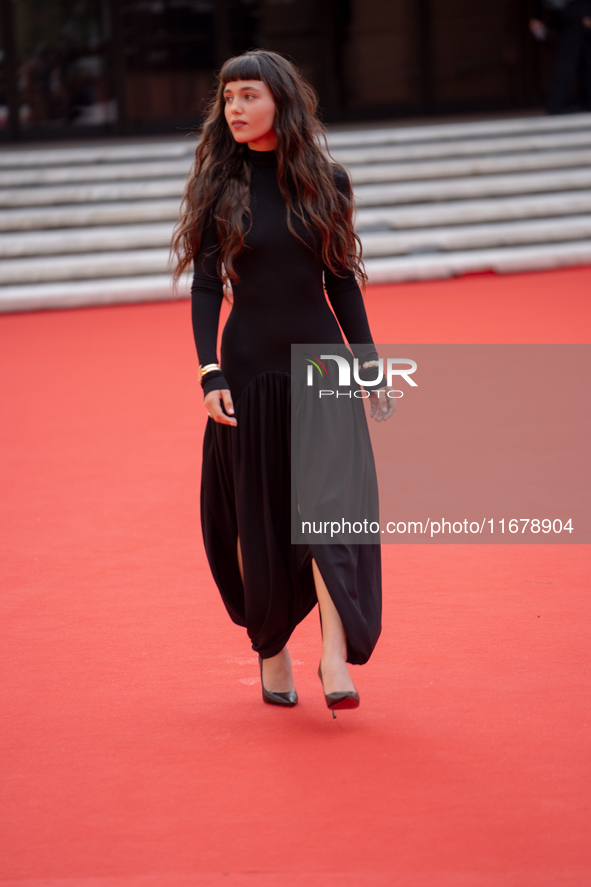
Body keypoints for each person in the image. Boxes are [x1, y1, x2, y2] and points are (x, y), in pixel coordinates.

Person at [171, 49, 394, 715]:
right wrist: (208, 370)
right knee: (257, 517)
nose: (234, 108)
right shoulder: (220, 185)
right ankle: (271, 646)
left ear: (280, 102)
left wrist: (370, 361)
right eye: (228, 97)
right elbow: (208, 287)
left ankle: (332, 653)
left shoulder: (329, 181)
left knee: (330, 511)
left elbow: (339, 281)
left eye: (248, 95)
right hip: (248, 370)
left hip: (321, 365)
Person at [530, 0, 591, 113]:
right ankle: (557, 105)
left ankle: (585, 102)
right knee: (567, 60)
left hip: (567, 13)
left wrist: (536, 16)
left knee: (583, 57)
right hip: (573, 13)